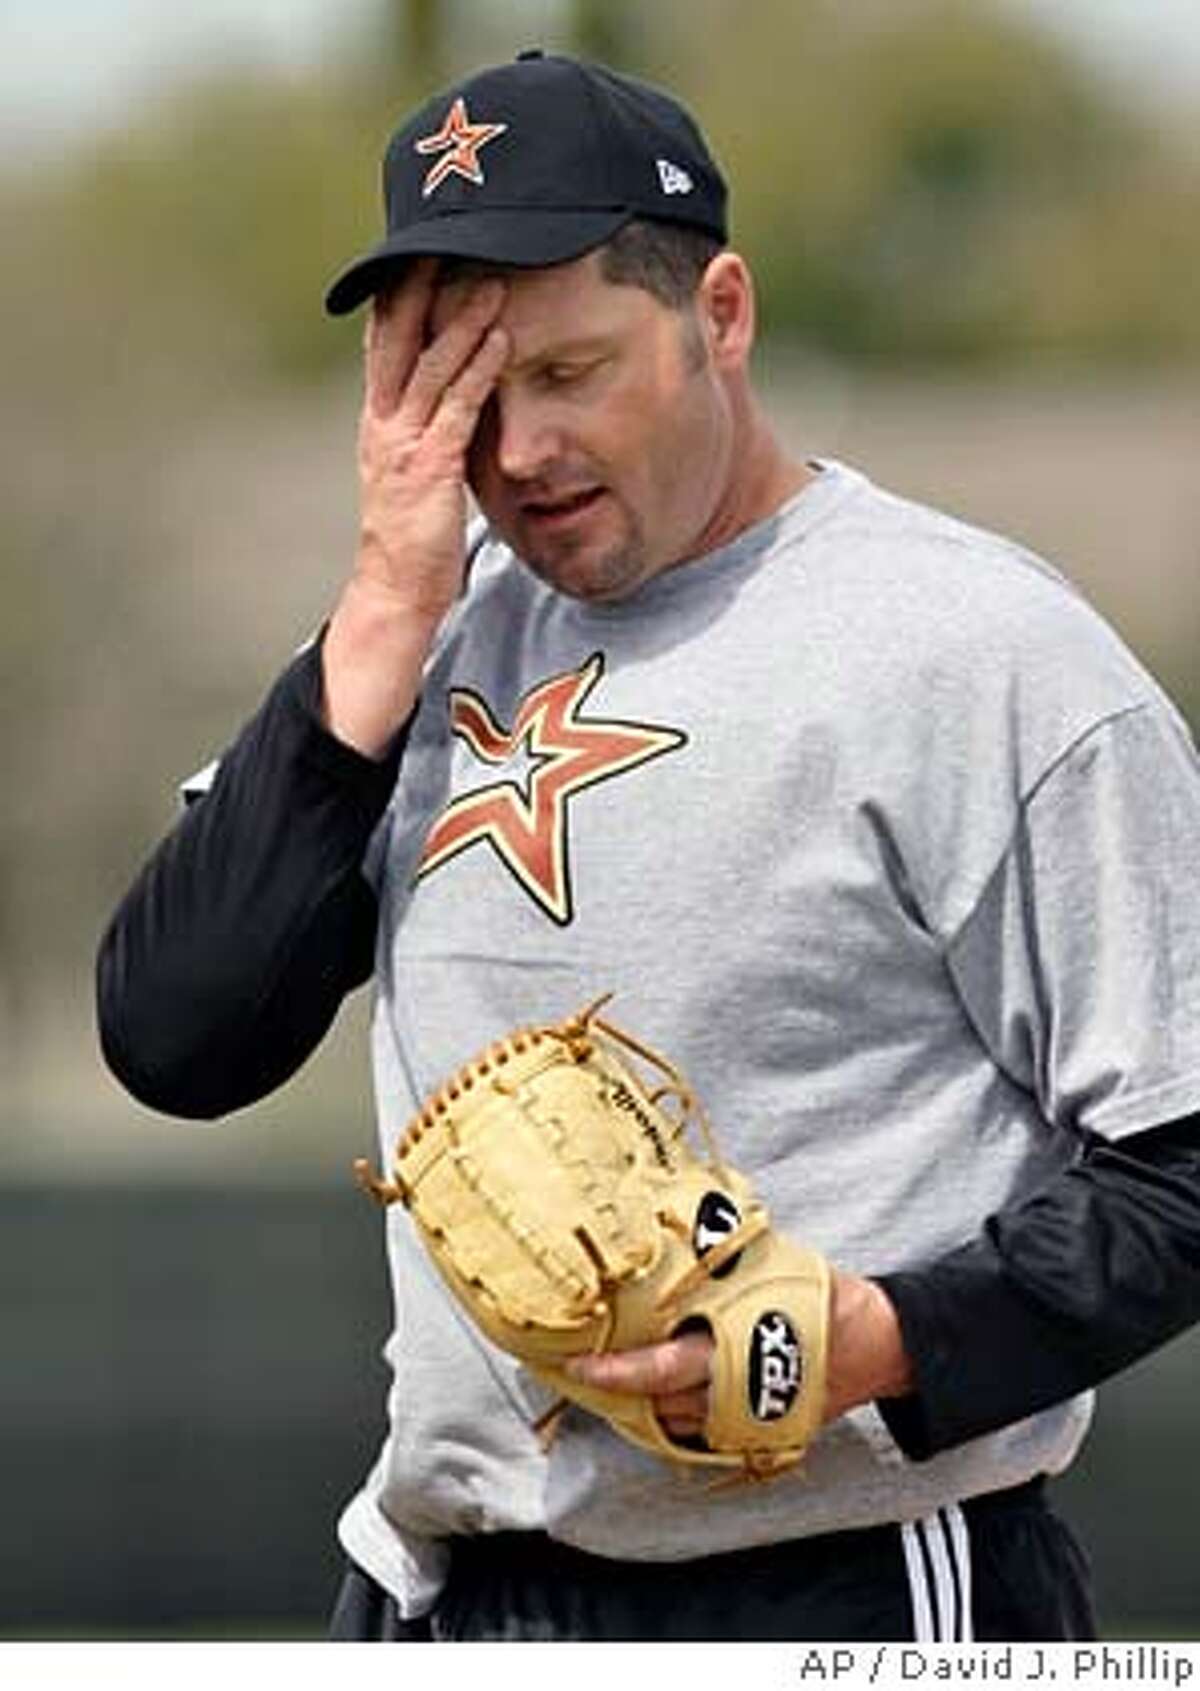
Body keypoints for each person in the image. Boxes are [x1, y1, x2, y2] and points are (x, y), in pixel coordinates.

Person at [96, 49, 1200, 1643]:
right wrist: (389, 605)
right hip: (443, 1582)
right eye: (466, 395)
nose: (517, 451)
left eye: (568, 372)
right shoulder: (427, 638)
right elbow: (177, 1038)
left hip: (855, 1586)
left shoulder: (976, 651)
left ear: (721, 315)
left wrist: (882, 1337)